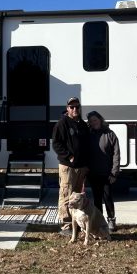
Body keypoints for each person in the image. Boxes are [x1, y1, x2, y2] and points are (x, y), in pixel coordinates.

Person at [52, 97, 89, 236]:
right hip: (68, 166)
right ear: (67, 108)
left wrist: (86, 164)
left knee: (78, 196)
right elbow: (56, 144)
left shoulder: (82, 124)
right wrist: (69, 156)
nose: (75, 109)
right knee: (66, 194)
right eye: (72, 107)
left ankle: (76, 223)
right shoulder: (62, 123)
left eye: (77, 107)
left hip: (81, 167)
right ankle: (66, 224)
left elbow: (86, 145)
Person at [86, 110, 120, 231]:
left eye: (95, 120)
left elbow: (116, 155)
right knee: (97, 199)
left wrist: (114, 172)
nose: (93, 122)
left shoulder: (110, 134)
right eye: (91, 121)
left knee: (108, 197)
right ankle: (99, 221)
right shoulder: (88, 135)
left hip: (107, 173)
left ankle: (111, 220)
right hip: (93, 173)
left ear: (100, 119)